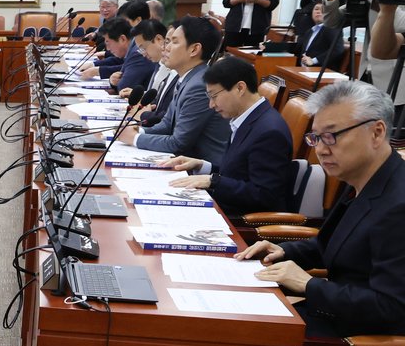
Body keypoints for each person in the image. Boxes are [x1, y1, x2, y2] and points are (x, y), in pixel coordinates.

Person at [237, 81, 405, 346]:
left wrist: (308, 286)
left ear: (377, 132)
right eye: (316, 138)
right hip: (339, 323)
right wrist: (285, 250)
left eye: (332, 135)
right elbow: (342, 245)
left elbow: (391, 308)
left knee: (243, 342)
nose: (321, 148)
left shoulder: (399, 204)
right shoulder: (364, 179)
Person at [158, 56, 296, 215]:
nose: (211, 105)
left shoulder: (269, 132)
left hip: (238, 221)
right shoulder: (247, 118)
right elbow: (236, 172)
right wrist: (202, 166)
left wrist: (213, 181)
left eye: (214, 96)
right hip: (223, 207)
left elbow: (264, 195)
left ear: (240, 88)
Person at [116, 16, 229, 165]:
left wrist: (135, 139)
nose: (166, 47)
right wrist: (138, 131)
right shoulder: (187, 78)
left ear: (194, 49)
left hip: (202, 171)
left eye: (174, 42)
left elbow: (178, 143)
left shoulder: (199, 85)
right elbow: (166, 124)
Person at [116, 19, 170, 103]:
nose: (143, 54)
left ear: (159, 39)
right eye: (140, 50)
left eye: (143, 48)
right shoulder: (158, 64)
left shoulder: (173, 68)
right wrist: (142, 95)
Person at [299, 2, 342, 68]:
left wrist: (314, 61)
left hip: (321, 70)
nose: (319, 12)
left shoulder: (332, 28)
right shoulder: (309, 31)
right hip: (303, 68)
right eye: (316, 9)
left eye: (323, 10)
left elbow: (337, 50)